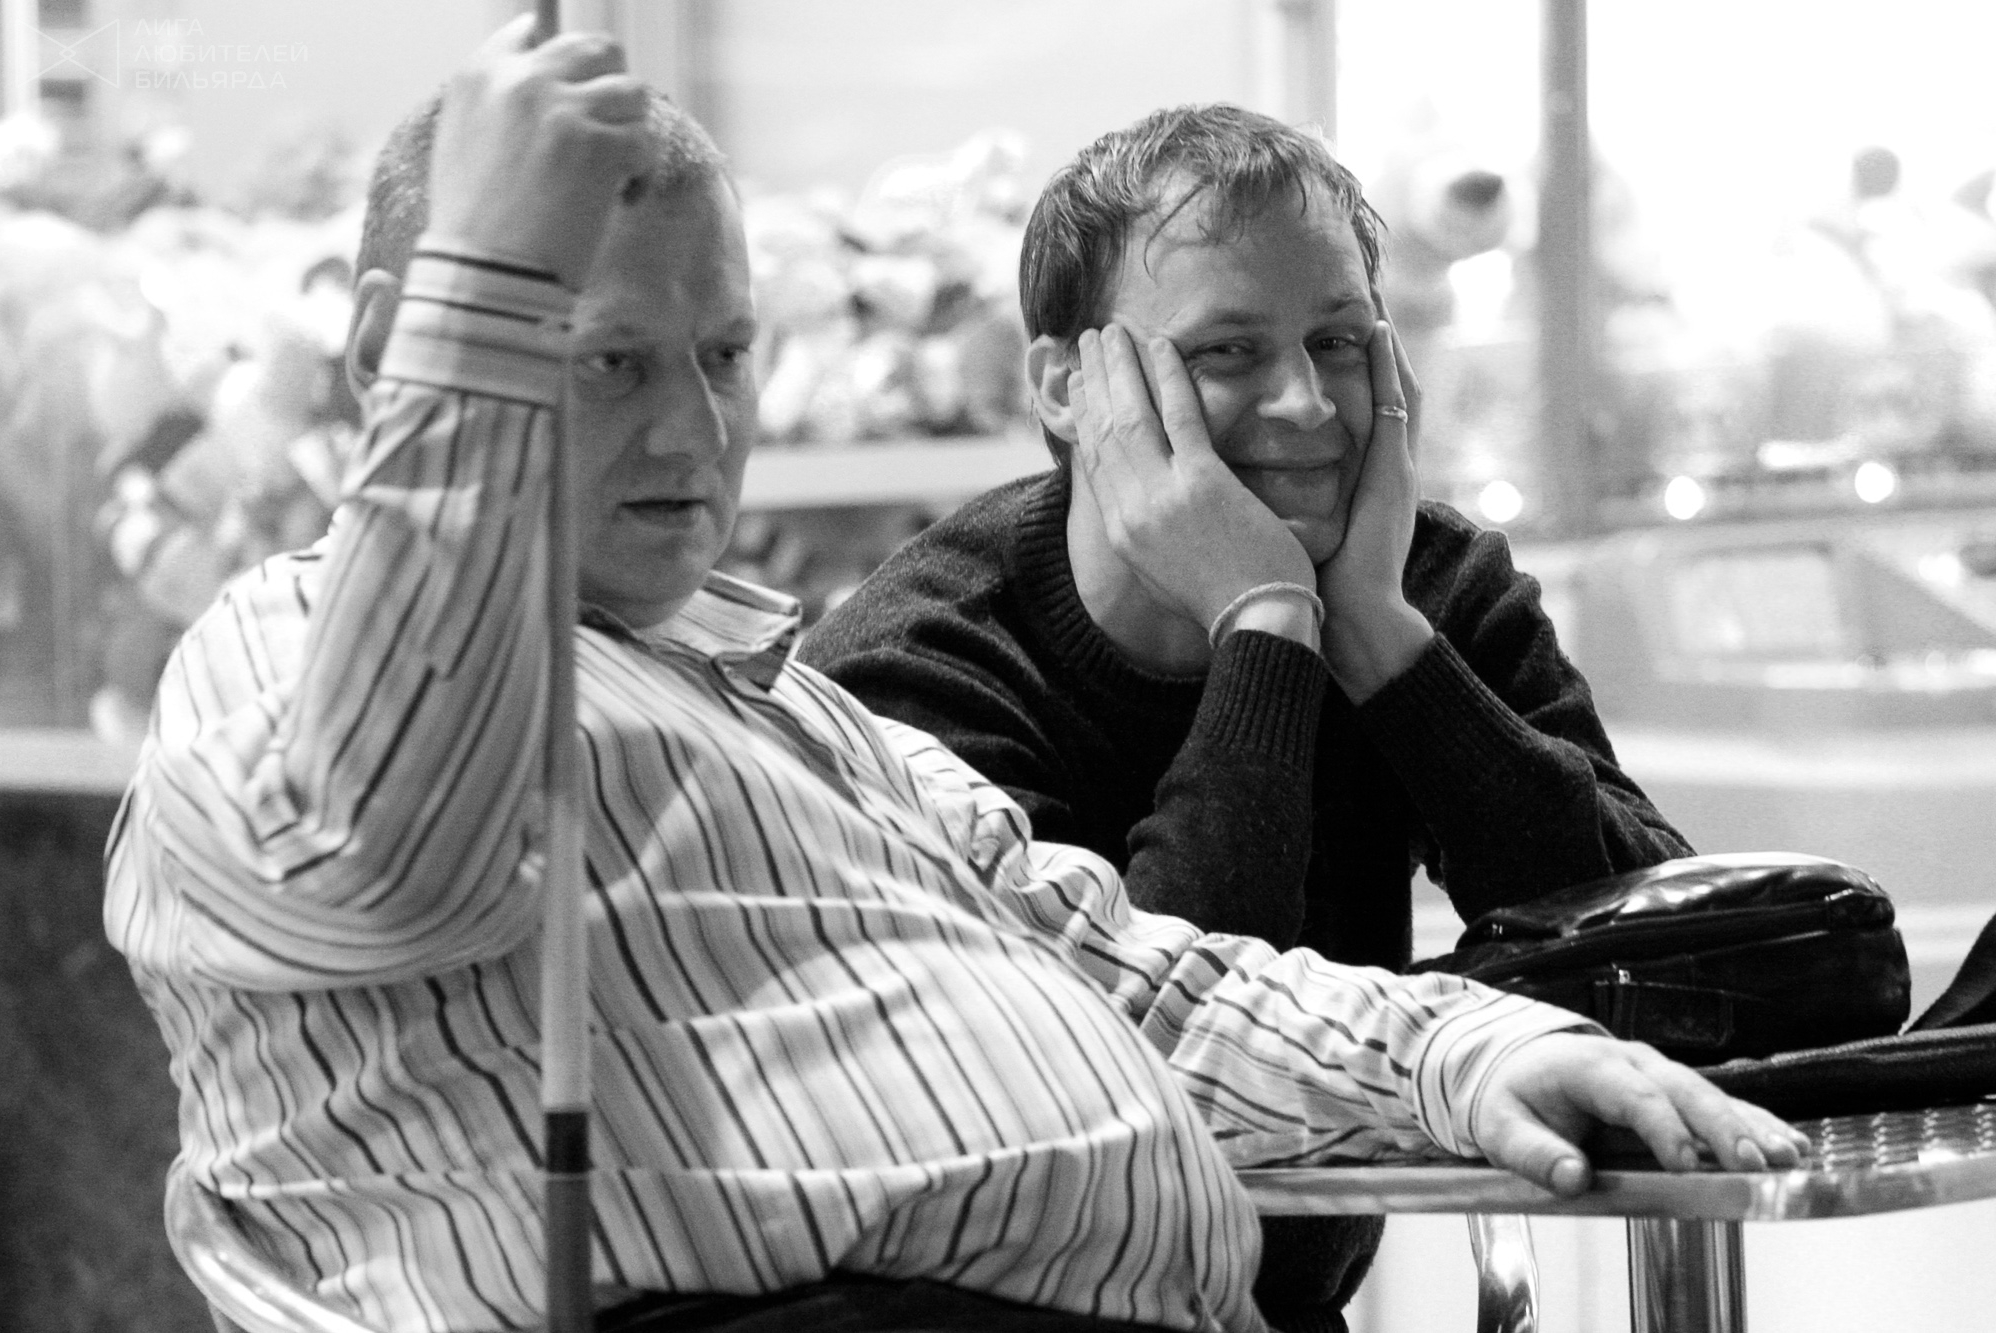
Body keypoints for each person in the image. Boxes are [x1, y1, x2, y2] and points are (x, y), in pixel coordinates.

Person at [106, 25, 1804, 1333]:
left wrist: (1461, 1047)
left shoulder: (792, 708)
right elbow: (384, 844)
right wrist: (479, 300)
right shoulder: (287, 656)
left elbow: (1133, 979)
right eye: (610, 358)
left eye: (724, 352)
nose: (691, 427)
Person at [798, 103, 1697, 1328]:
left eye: (1338, 341)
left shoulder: (1417, 586)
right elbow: (1141, 1091)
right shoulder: (916, 670)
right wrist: (1267, 629)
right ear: (1063, 385)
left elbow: (1673, 973)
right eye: (1225, 352)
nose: (1307, 405)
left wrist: (1383, 645)